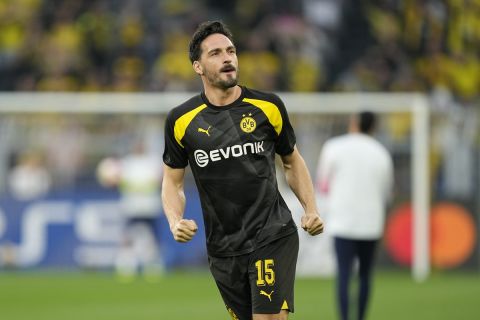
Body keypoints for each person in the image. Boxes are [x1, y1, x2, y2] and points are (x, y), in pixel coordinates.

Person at [162, 21, 324, 320]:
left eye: (231, 51)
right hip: (223, 248)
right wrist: (175, 220)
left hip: (271, 233)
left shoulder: (267, 107)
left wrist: (310, 208)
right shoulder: (181, 120)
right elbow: (173, 182)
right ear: (198, 66)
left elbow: (291, 161)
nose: (227, 58)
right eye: (216, 53)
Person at [316, 111, 394, 320]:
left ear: (354, 123)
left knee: (343, 273)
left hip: (343, 221)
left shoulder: (333, 147)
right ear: (373, 127)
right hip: (371, 223)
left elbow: (322, 185)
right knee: (366, 275)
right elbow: (387, 192)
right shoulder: (381, 153)